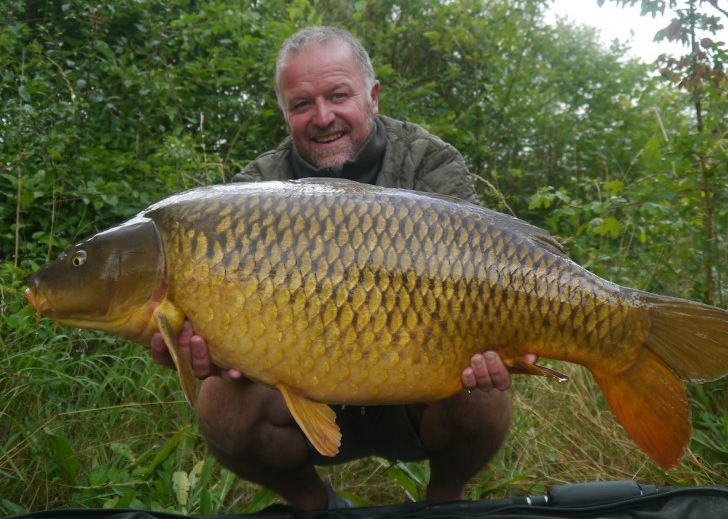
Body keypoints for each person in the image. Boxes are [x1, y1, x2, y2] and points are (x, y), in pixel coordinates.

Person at [151, 26, 538, 510]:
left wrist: (506, 339)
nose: (323, 117)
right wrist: (202, 347)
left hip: (418, 383)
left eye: (338, 95)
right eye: (302, 104)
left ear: (372, 96)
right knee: (219, 405)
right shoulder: (254, 190)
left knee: (484, 393)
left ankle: (444, 503)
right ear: (285, 113)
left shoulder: (429, 162)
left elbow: (484, 271)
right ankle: (315, 507)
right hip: (299, 388)